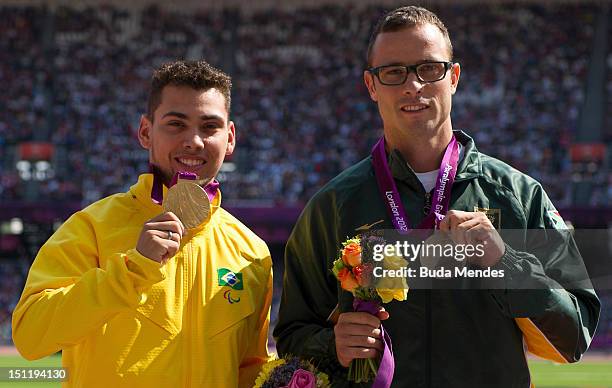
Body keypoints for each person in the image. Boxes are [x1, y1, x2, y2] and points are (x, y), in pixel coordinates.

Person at [274, 6, 600, 387]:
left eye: (429, 68)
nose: (413, 86)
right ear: (371, 85)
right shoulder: (333, 206)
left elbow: (575, 335)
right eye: (394, 72)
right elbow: (291, 341)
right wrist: (334, 345)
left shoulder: (518, 195)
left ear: (454, 77)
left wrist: (505, 261)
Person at [12, 60, 273, 387]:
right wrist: (131, 271)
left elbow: (250, 370)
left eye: (209, 127)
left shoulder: (251, 252)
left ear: (230, 137)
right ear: (146, 131)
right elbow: (30, 336)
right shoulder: (92, 227)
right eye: (176, 124)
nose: (194, 140)